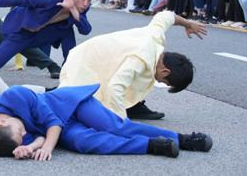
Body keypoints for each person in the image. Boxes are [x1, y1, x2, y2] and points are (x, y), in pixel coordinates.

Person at [0, 85, 212, 160]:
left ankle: (182, 139)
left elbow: (51, 123)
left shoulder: (15, 94)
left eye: (20, 132)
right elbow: (37, 138)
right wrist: (28, 147)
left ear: (1, 123)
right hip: (61, 128)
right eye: (21, 136)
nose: (23, 133)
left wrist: (48, 148)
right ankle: (151, 146)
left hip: (68, 105)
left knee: (115, 127)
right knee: (84, 142)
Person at [59, 11, 207, 120]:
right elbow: (115, 87)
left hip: (93, 56)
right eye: (163, 81)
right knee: (70, 109)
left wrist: (188, 23)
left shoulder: (155, 37)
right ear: (166, 71)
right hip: (82, 64)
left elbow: (167, 16)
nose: (159, 82)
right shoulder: (141, 59)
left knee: (142, 78)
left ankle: (132, 106)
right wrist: (121, 120)